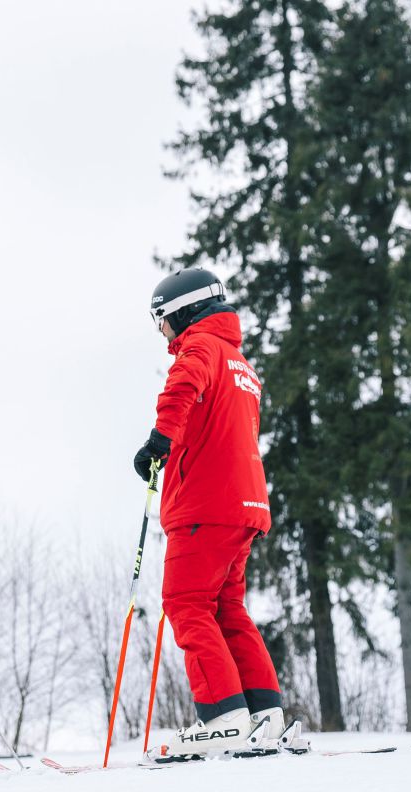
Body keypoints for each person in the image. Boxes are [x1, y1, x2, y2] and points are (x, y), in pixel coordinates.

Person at [135, 267, 283, 759]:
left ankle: (223, 717)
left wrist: (158, 442)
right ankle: (265, 714)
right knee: (227, 608)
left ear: (183, 309)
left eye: (161, 319)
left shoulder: (200, 348)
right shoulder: (241, 362)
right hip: (244, 505)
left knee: (186, 603)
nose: (162, 332)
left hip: (205, 504)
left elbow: (180, 391)